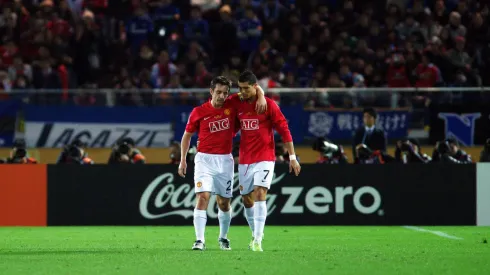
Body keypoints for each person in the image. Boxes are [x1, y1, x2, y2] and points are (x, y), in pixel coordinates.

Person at [178, 76, 266, 251]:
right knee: (202, 197)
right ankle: (199, 240)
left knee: (224, 203)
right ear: (211, 92)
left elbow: (253, 89)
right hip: (204, 159)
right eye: (218, 92)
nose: (221, 96)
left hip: (225, 160)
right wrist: (183, 160)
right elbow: (187, 136)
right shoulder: (198, 111)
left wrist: (262, 96)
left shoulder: (232, 104)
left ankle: (223, 237)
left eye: (225, 93)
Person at [231, 70, 301, 252]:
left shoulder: (269, 105)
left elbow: (284, 130)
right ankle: (255, 233)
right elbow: (219, 101)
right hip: (245, 159)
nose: (242, 92)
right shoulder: (238, 102)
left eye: (246, 89)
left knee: (260, 192)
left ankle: (258, 240)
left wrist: (292, 157)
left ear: (254, 87)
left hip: (265, 157)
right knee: (246, 199)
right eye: (240, 88)